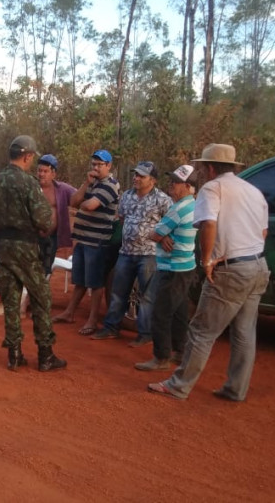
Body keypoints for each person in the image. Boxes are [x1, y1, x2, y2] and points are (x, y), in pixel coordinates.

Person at [148, 144, 269, 401]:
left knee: (201, 330)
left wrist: (207, 260)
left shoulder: (213, 188)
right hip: (258, 265)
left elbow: (208, 224)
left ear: (210, 167)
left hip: (231, 268)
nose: (201, 172)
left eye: (202, 167)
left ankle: (179, 385)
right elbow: (264, 232)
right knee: (244, 333)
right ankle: (235, 389)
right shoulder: (253, 190)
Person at [0, 135, 66, 372]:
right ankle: (45, 354)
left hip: (3, 247)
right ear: (27, 156)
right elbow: (44, 220)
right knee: (41, 298)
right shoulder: (29, 184)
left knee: (11, 301)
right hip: (27, 249)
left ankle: (14, 354)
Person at [91, 161, 172, 346]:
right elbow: (122, 218)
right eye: (136, 174)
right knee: (118, 292)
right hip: (126, 252)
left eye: (141, 176)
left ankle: (145, 334)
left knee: (147, 296)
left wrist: (162, 237)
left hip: (149, 253)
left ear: (152, 180)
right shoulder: (127, 196)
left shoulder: (162, 199)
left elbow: (170, 223)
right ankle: (111, 328)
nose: (136, 178)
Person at [135, 165, 198, 371]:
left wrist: (161, 236)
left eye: (176, 182)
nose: (171, 185)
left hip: (172, 267)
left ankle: (161, 357)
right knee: (179, 312)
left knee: (161, 313)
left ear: (188, 186)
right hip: (185, 265)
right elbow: (160, 234)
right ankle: (180, 351)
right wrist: (163, 236)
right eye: (171, 180)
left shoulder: (178, 209)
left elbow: (154, 234)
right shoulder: (193, 205)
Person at [52, 150, 120, 334]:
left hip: (97, 241)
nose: (96, 168)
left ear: (109, 166)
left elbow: (89, 206)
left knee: (96, 283)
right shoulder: (92, 183)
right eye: (94, 164)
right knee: (81, 280)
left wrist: (80, 206)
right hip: (83, 239)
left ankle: (92, 320)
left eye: (99, 164)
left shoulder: (111, 185)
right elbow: (73, 201)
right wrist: (85, 184)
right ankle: (69, 312)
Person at [35, 154, 77, 275]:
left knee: (46, 270)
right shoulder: (31, 188)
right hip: (31, 238)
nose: (41, 174)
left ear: (53, 174)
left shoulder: (62, 189)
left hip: (51, 239)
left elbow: (78, 197)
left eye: (45, 171)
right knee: (30, 270)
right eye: (39, 170)